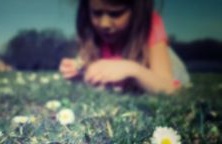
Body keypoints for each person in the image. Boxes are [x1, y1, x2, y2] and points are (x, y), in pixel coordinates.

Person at [59, 0, 191, 94]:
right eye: (97, 13)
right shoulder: (91, 35)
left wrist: (132, 69)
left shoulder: (150, 25)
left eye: (116, 13)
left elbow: (169, 87)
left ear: (136, 11)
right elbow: (93, 76)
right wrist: (80, 73)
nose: (104, 24)